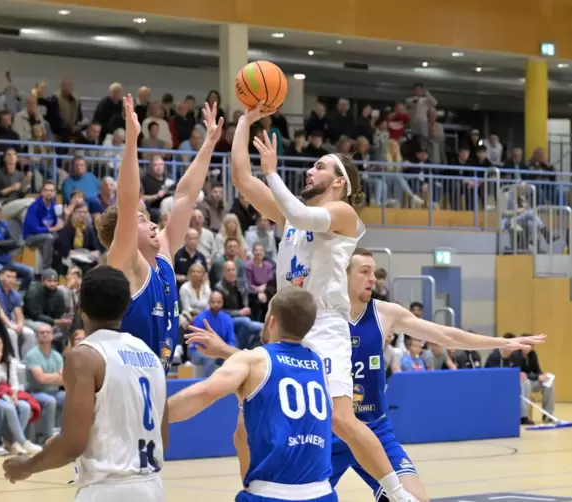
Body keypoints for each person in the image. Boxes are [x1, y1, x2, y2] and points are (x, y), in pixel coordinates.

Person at [231, 101, 415, 501]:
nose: (311, 170)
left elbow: (298, 212)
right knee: (246, 426)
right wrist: (244, 121)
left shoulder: (343, 214)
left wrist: (272, 172)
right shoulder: (291, 219)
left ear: (340, 182)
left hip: (324, 327)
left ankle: (397, 493)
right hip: (283, 329)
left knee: (342, 419)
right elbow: (242, 180)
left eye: (320, 166)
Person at [330, 247, 546, 499]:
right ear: (343, 275)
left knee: (417, 498)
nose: (372, 279)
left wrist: (499, 341)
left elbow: (445, 335)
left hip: (374, 428)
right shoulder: (324, 315)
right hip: (332, 430)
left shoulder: (384, 313)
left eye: (374, 273)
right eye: (364, 272)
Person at [3, 266, 169, 502]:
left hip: (107, 489)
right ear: (125, 307)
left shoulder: (84, 356)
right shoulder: (151, 356)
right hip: (152, 487)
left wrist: (27, 466)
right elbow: (162, 436)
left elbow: (72, 445)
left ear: (80, 306)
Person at [167, 288, 336, 502]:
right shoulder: (320, 366)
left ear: (271, 321)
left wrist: (151, 417)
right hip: (322, 492)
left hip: (270, 493)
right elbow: (275, 368)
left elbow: (205, 392)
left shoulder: (254, 360)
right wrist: (224, 350)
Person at [96, 94, 222, 368]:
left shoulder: (163, 253)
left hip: (156, 379)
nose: (153, 223)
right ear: (126, 231)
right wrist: (132, 141)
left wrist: (209, 144)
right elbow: (127, 200)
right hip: (125, 382)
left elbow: (186, 196)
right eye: (141, 221)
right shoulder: (125, 264)